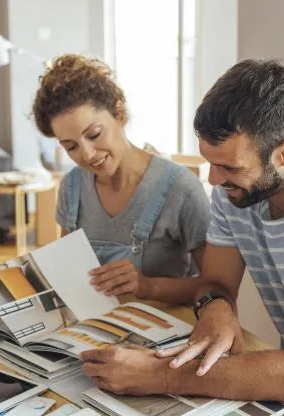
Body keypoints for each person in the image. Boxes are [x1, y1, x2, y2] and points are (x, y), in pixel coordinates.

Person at [80, 59, 284, 402]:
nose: (214, 180)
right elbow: (214, 284)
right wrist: (215, 307)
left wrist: (159, 375)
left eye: (229, 167)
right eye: (210, 163)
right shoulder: (236, 194)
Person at [32, 54, 210, 304]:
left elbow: (216, 288)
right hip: (92, 334)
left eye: (94, 134)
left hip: (163, 335)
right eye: (71, 147)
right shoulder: (71, 188)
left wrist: (147, 286)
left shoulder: (181, 190)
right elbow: (69, 275)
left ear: (119, 113)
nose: (87, 155)